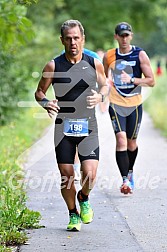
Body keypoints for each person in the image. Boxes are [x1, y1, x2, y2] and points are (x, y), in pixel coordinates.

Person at [35, 19, 108, 231]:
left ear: (83, 39)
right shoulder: (53, 65)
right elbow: (39, 92)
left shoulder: (94, 63)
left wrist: (100, 97)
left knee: (89, 174)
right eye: (68, 38)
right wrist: (46, 103)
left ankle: (83, 196)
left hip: (88, 124)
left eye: (76, 38)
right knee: (66, 174)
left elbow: (105, 87)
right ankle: (73, 213)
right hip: (63, 126)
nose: (73, 42)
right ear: (62, 40)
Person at [103, 22, 155, 195]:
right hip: (116, 104)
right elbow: (103, 79)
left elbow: (151, 81)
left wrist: (133, 80)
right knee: (121, 140)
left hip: (134, 105)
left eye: (127, 35)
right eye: (121, 35)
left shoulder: (140, 54)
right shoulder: (109, 56)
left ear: (131, 36)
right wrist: (103, 93)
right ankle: (125, 180)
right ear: (116, 37)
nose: (124, 39)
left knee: (132, 143)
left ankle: (130, 172)